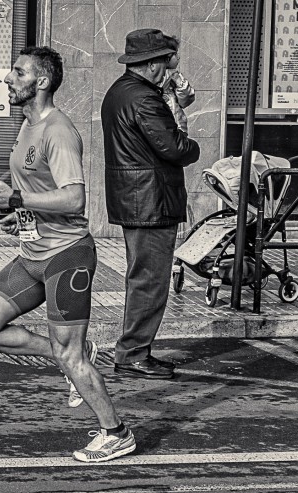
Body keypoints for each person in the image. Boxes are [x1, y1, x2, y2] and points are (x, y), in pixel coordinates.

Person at [0, 46, 136, 463]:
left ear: (41, 82)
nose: (9, 78)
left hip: (67, 257)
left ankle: (115, 432)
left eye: (18, 72)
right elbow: (43, 190)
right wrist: (22, 213)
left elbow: (75, 199)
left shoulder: (57, 130)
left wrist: (16, 197)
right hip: (33, 251)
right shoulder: (27, 126)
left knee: (70, 353)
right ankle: (73, 357)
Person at [101, 29, 200, 379]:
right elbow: (174, 148)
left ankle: (132, 350)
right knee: (150, 281)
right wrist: (192, 146)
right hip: (150, 201)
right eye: (167, 60)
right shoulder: (145, 99)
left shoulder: (120, 91)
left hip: (137, 198)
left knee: (142, 277)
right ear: (154, 63)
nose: (170, 67)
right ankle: (132, 354)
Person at [160, 35, 195, 136]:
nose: (178, 57)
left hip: (176, 121)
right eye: (175, 54)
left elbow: (186, 99)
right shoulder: (168, 75)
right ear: (167, 57)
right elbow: (187, 96)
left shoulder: (173, 75)